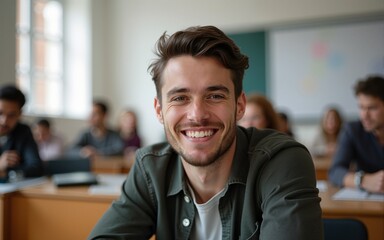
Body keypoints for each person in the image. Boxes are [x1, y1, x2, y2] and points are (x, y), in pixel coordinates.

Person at [88, 26, 323, 240]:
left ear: (239, 105)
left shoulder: (282, 160)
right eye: (180, 98)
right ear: (159, 110)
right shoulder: (150, 169)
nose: (197, 115)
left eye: (215, 96)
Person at [329, 75, 384, 194]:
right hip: (364, 204)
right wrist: (363, 180)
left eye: (372, 108)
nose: (364, 115)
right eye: (361, 107)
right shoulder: (352, 130)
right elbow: (335, 172)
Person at [0, 85, 43, 180]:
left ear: (20, 114)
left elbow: (37, 168)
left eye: (11, 115)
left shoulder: (23, 131)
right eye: (0, 113)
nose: (4, 121)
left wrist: (6, 173)